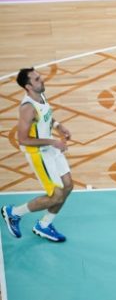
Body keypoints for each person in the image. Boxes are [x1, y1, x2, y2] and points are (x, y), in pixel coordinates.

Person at [1, 68, 74, 243]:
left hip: (49, 146)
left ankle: (44, 225)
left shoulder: (40, 95)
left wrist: (58, 125)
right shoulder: (27, 108)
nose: (42, 80)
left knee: (68, 186)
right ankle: (14, 213)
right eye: (37, 79)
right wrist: (52, 142)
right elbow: (23, 139)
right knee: (56, 195)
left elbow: (46, 115)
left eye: (39, 77)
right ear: (28, 86)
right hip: (39, 153)